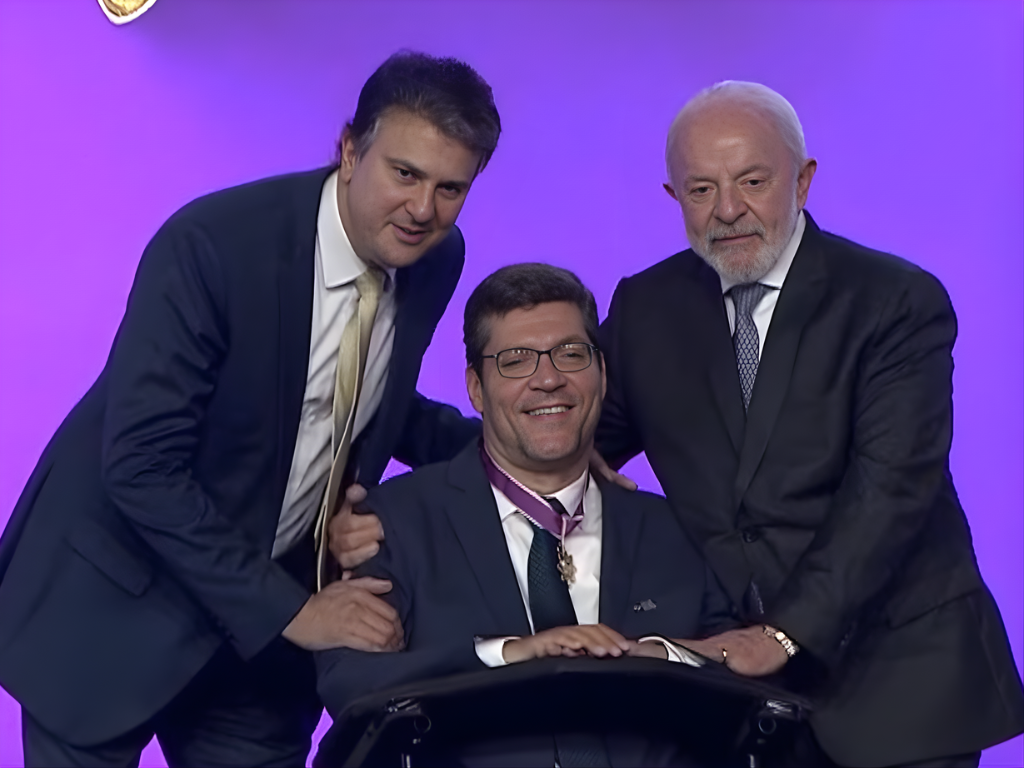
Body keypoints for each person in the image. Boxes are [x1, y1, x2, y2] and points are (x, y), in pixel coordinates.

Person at [0, 51, 498, 767]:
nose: (423, 210)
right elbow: (141, 465)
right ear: (350, 149)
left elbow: (366, 394)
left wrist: (516, 456)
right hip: (114, 606)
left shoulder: (434, 260)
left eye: (451, 188)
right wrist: (294, 610)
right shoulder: (212, 247)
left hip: (255, 641)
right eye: (405, 174)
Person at [595, 81, 1024, 767]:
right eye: (701, 190)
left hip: (901, 684)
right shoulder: (647, 307)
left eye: (753, 181)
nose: (728, 210)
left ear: (803, 180)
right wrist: (395, 463)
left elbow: (889, 490)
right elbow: (553, 439)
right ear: (675, 199)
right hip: (743, 705)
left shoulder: (894, 300)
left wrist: (785, 633)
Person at [315, 263, 735, 766]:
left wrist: (657, 654)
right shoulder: (394, 523)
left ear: (601, 375)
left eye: (571, 354)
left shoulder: (672, 528)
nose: (549, 379)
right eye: (516, 361)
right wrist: (511, 653)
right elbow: (347, 682)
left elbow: (738, 672)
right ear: (476, 388)